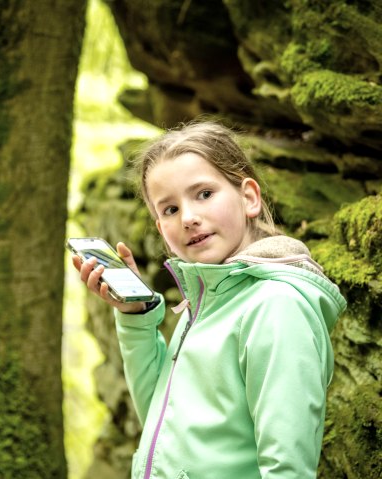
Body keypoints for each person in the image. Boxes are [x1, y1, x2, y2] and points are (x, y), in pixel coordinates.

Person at [72, 120, 347, 479]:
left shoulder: (277, 306)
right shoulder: (208, 296)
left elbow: (287, 469)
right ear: (161, 230)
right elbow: (160, 419)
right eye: (169, 209)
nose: (188, 218)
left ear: (249, 197)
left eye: (203, 194)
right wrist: (135, 315)